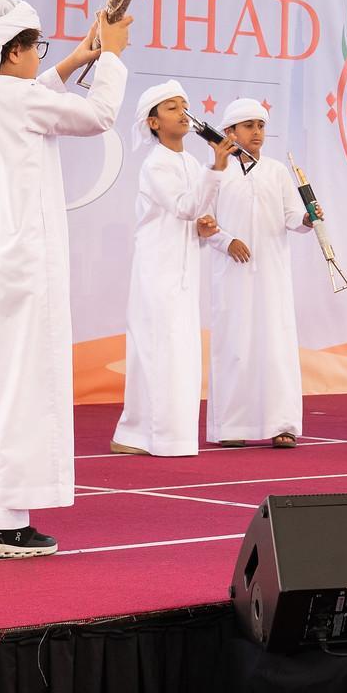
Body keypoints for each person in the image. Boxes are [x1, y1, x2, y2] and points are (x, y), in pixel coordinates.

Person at [0, 0, 128, 561]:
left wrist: (72, 61)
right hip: (19, 263)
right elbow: (98, 116)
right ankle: (4, 521)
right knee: (20, 384)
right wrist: (111, 57)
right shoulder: (15, 98)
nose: (39, 56)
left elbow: (25, 95)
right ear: (12, 51)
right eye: (35, 47)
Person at [113, 79, 237, 458]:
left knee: (180, 353)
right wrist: (217, 166)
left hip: (183, 272)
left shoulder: (189, 163)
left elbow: (195, 215)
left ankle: (165, 435)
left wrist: (204, 228)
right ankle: (142, 434)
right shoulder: (156, 164)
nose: (183, 113)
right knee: (157, 350)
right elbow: (185, 207)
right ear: (153, 123)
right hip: (157, 271)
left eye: (184, 106)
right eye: (172, 108)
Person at [202, 99, 310, 450]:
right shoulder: (216, 171)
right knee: (234, 345)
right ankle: (231, 425)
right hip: (232, 273)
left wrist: (307, 219)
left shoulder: (276, 171)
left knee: (276, 345)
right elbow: (203, 220)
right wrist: (226, 241)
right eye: (248, 126)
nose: (257, 132)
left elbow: (291, 215)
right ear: (229, 132)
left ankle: (283, 424)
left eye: (261, 125)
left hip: (272, 275)